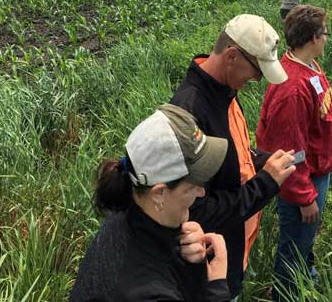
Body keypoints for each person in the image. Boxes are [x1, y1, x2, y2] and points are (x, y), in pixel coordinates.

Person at [169, 14, 300, 299]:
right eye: (255, 70)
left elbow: (233, 154)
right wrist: (266, 183)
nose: (256, 78)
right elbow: (195, 210)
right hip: (210, 271)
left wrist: (261, 158)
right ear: (231, 56)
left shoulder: (226, 91)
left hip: (233, 251)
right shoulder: (190, 113)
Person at [70, 104, 238, 302]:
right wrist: (217, 287)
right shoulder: (144, 291)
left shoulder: (127, 213)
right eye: (193, 185)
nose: (202, 192)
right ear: (159, 193)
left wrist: (192, 262)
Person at [256, 5, 332, 302]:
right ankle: (285, 293)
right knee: (293, 247)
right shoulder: (292, 88)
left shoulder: (308, 66)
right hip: (303, 183)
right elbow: (290, 152)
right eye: (324, 33)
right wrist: (305, 197)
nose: (327, 38)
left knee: (303, 243)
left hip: (317, 173)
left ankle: (307, 279)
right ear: (312, 39)